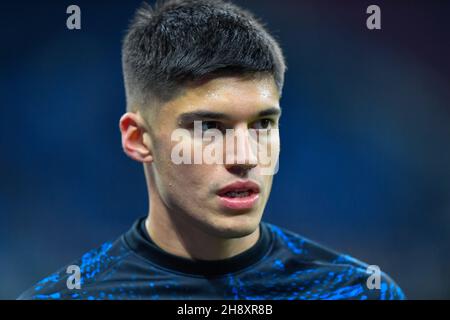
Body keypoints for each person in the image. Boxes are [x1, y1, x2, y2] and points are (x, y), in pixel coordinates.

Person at [19, 0, 405, 300]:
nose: (245, 156)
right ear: (138, 138)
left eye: (262, 124)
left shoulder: (357, 292)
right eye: (209, 128)